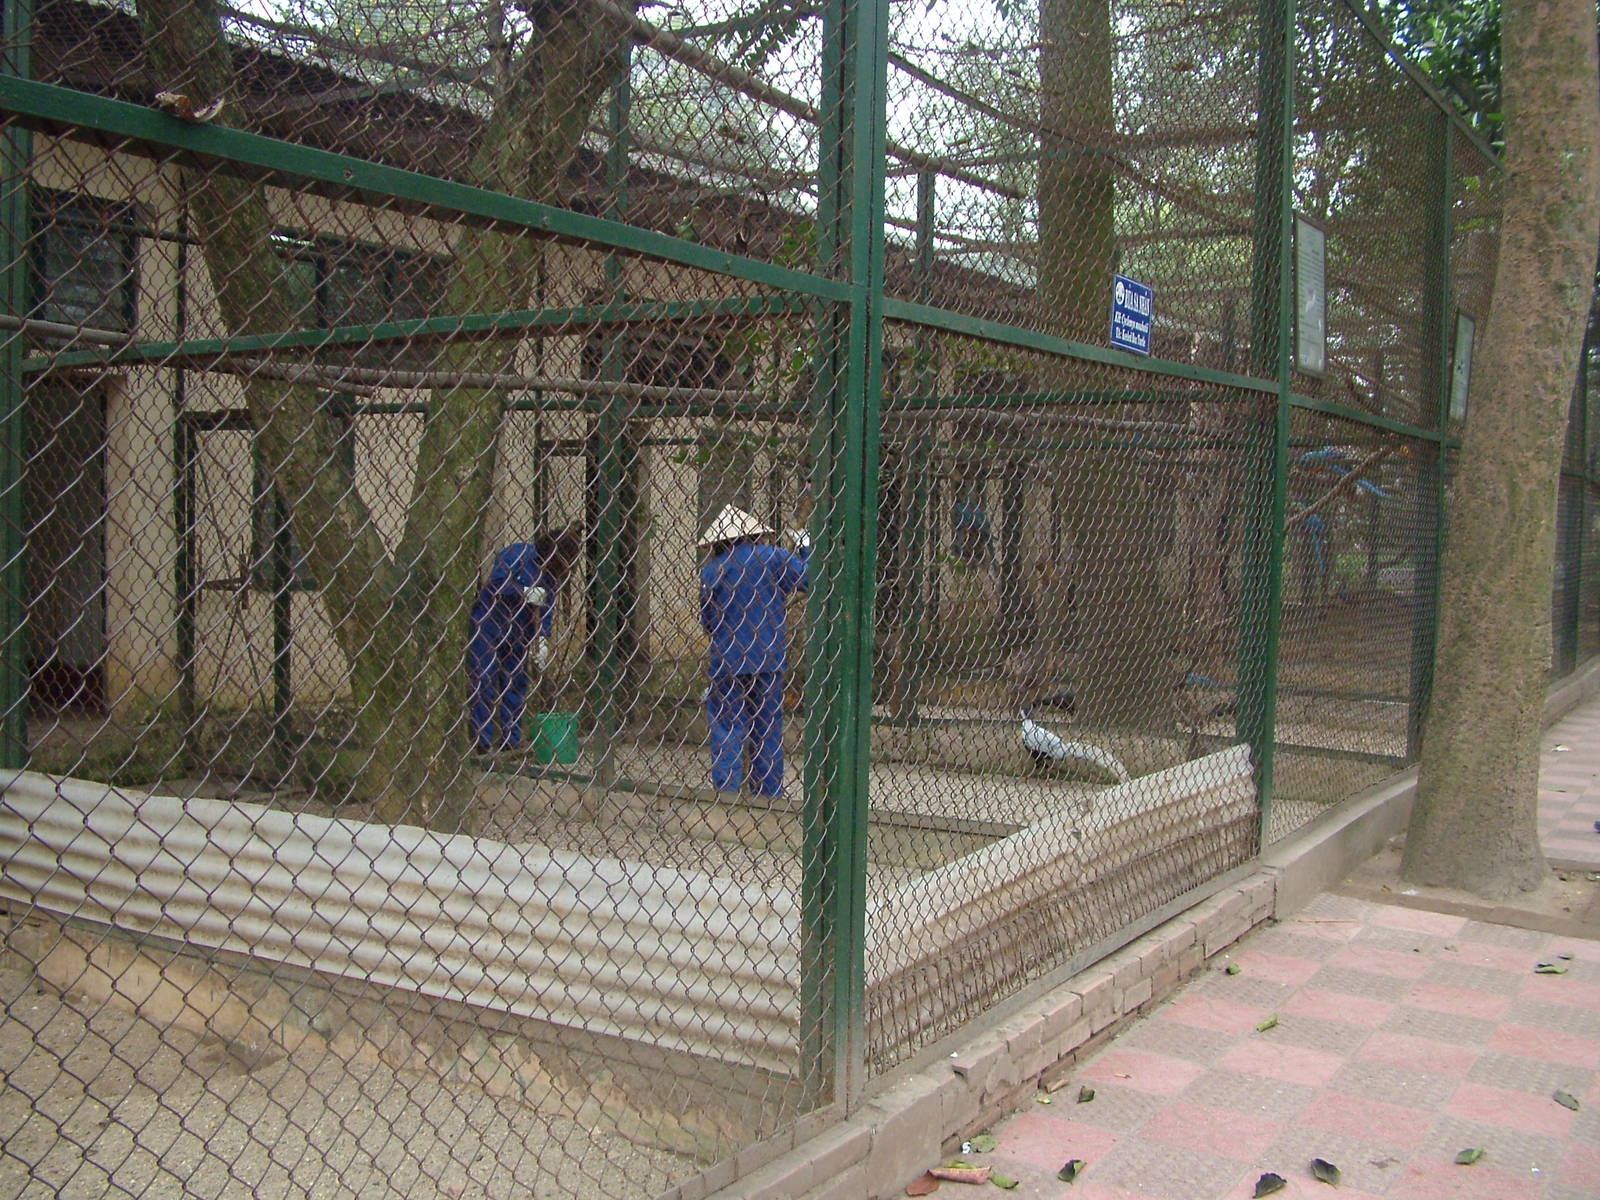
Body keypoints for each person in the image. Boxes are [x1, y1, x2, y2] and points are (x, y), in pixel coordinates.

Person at [698, 505, 810, 798]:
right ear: (755, 534)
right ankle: (768, 795)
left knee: (727, 727)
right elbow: (809, 580)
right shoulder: (772, 558)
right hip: (768, 657)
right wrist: (805, 547)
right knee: (768, 729)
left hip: (727, 659)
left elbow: (708, 621)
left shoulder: (711, 571)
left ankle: (727, 793)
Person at [468, 526, 583, 752]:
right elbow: (496, 585)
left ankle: (511, 741)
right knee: (484, 682)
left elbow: (547, 608)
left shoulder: (552, 575)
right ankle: (482, 742)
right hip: (490, 626)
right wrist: (526, 592)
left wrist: (542, 640)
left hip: (520, 634)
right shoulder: (516, 555)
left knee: (516, 684)